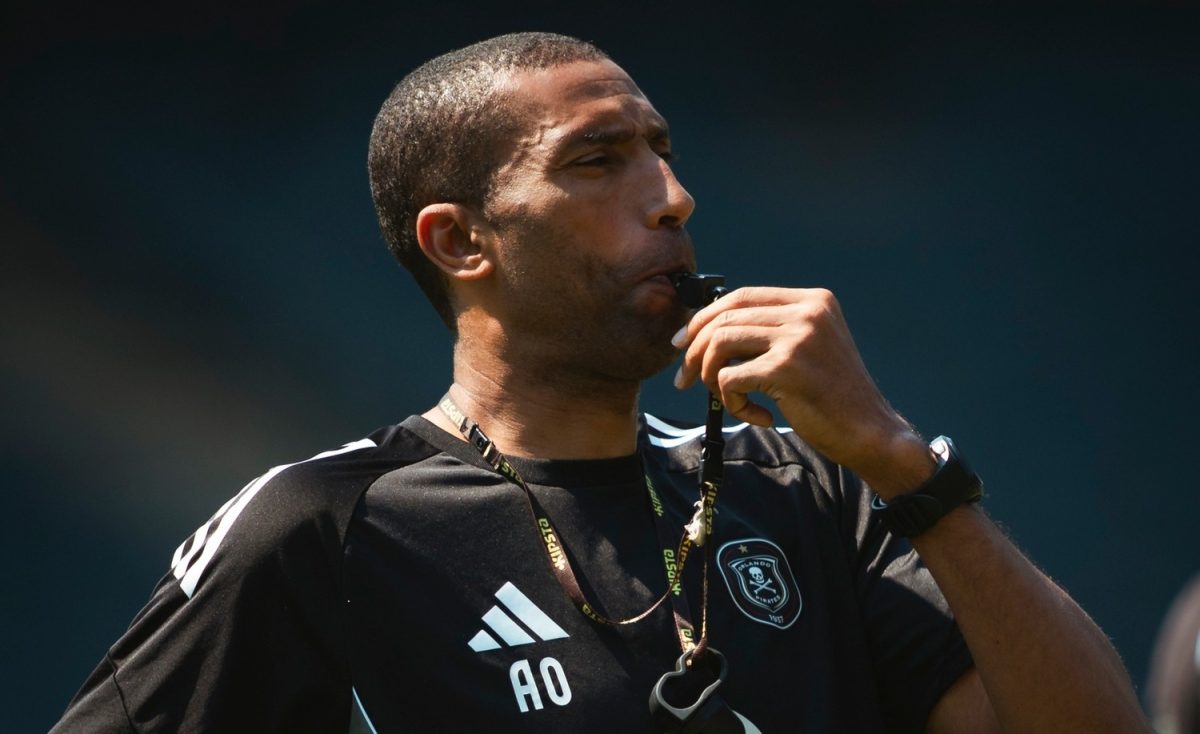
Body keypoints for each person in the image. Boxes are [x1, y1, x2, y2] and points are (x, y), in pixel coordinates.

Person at [52, 32, 1149, 733]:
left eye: (664, 152)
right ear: (460, 240)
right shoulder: (327, 527)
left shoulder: (811, 489)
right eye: (597, 160)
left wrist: (904, 463)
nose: (671, 196)